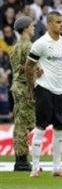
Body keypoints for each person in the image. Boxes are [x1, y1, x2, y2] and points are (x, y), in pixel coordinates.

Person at [26, 11, 62, 177]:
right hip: (45, 89)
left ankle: (57, 168)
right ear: (49, 24)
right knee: (41, 127)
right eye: (58, 22)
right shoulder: (41, 43)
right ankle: (35, 167)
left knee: (59, 128)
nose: (61, 25)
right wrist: (33, 88)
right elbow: (28, 66)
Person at [10, 17, 35, 171]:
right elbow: (29, 70)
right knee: (24, 125)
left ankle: (21, 158)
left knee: (20, 122)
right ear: (26, 28)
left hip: (16, 86)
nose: (33, 28)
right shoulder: (29, 46)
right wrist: (33, 90)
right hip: (25, 87)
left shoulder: (15, 47)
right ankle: (22, 160)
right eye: (31, 26)